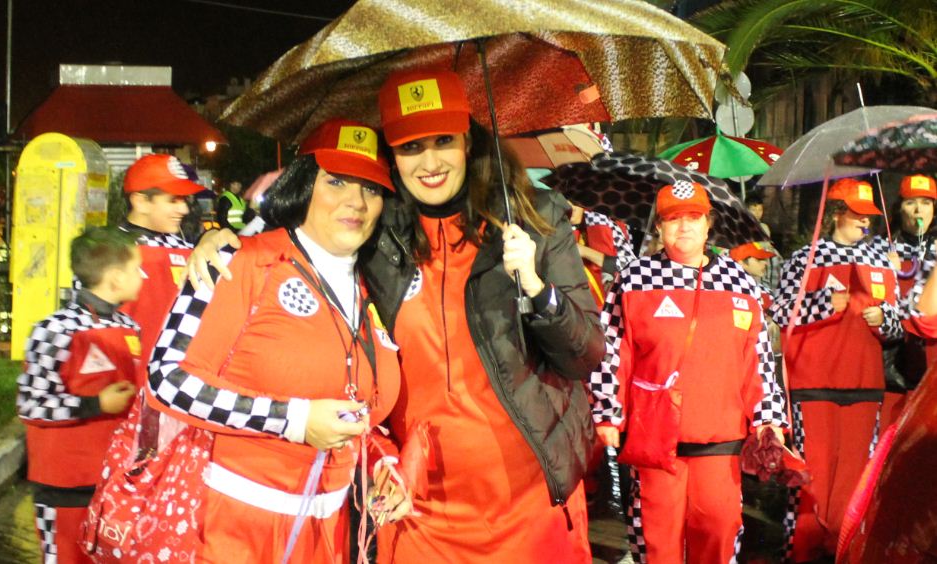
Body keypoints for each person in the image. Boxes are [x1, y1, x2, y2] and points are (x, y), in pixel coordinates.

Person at [364, 68, 604, 563]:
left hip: (528, 506)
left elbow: (586, 354)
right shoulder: (373, 237)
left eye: (443, 141)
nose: (430, 162)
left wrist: (538, 289)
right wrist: (221, 242)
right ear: (390, 156)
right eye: (410, 147)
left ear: (468, 141)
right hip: (419, 512)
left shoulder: (534, 218)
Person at [146, 118, 405, 563]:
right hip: (234, 534)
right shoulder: (238, 262)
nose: (356, 201)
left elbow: (351, 405)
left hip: (330, 534)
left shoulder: (372, 289)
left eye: (371, 188)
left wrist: (381, 461)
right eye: (336, 181)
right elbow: (167, 380)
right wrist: (293, 420)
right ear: (304, 186)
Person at [592, 181, 787, 563]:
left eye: (693, 217)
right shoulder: (633, 279)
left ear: (708, 224)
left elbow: (758, 359)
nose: (684, 227)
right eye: (673, 218)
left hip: (720, 440)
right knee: (657, 542)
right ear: (659, 226)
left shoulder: (741, 282)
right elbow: (611, 350)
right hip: (653, 441)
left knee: (718, 533)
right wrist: (607, 411)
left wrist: (769, 418)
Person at [769, 177, 902, 562]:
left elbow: (897, 327)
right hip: (813, 384)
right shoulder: (805, 257)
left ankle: (841, 552)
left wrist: (885, 319)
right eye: (857, 214)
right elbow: (780, 311)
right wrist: (824, 304)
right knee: (811, 477)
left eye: (868, 216)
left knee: (854, 478)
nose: (865, 222)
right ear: (834, 214)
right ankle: (801, 553)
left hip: (865, 385)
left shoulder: (881, 261)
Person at [17, 227, 142, 563]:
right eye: (136, 269)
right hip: (65, 488)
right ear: (115, 278)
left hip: (116, 482)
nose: (142, 276)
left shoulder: (131, 328)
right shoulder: (55, 329)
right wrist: (96, 404)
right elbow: (31, 404)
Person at [118, 153, 204, 387]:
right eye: (173, 200)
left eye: (184, 200)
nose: (184, 209)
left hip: (177, 388)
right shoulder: (107, 251)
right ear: (141, 202)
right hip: (125, 390)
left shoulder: (189, 250)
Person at [878, 174, 937, 429]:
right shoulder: (881, 248)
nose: (918, 211)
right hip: (894, 361)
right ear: (899, 207)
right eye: (911, 202)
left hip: (930, 356)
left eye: (926, 203)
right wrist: (885, 270)